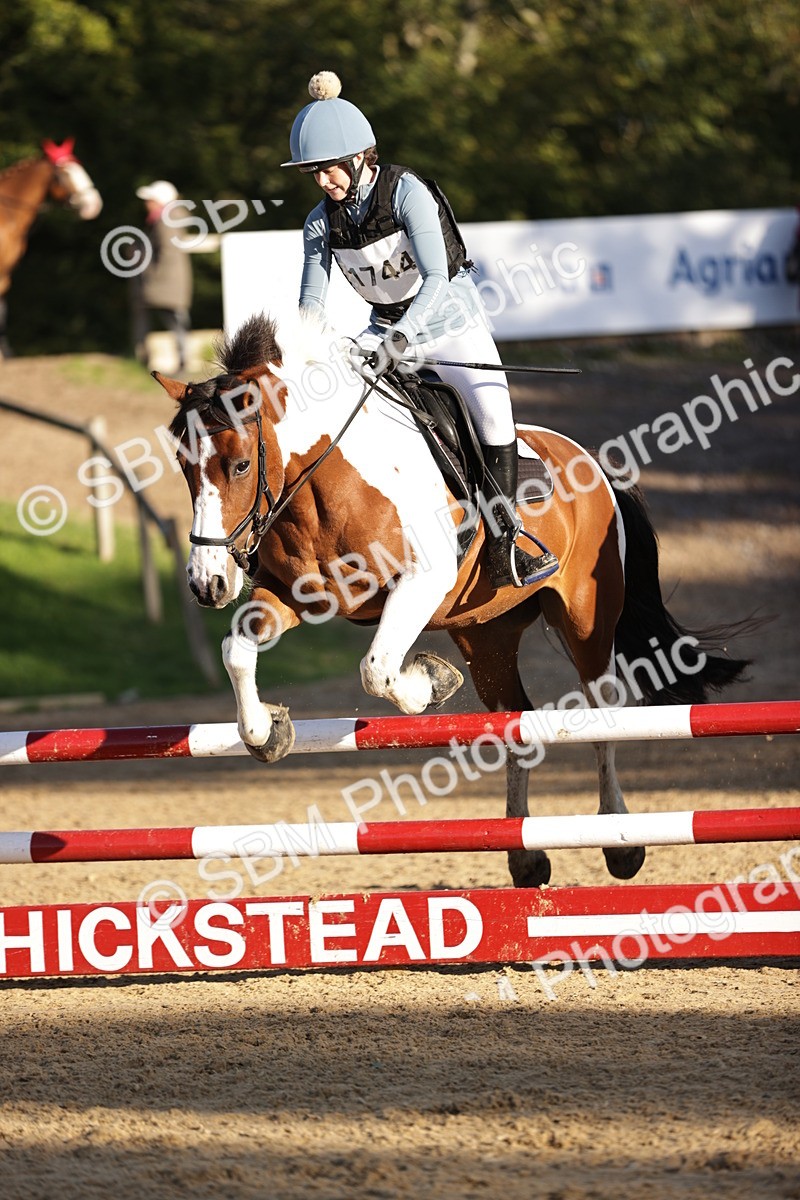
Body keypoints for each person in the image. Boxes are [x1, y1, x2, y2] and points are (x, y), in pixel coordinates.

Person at [281, 71, 558, 589]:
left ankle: (505, 544)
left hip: (449, 325)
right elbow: (312, 300)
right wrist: (304, 350)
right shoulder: (320, 222)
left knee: (495, 419)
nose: (323, 182)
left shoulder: (408, 192)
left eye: (329, 169)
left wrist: (403, 338)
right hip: (384, 332)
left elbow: (435, 279)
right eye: (313, 173)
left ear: (361, 155)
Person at [132, 179, 193, 373]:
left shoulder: (165, 220)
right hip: (167, 280)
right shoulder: (165, 218)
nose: (146, 203)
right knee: (176, 322)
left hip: (163, 281)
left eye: (150, 199)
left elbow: (168, 250)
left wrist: (151, 275)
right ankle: (180, 361)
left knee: (175, 322)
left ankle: (180, 362)